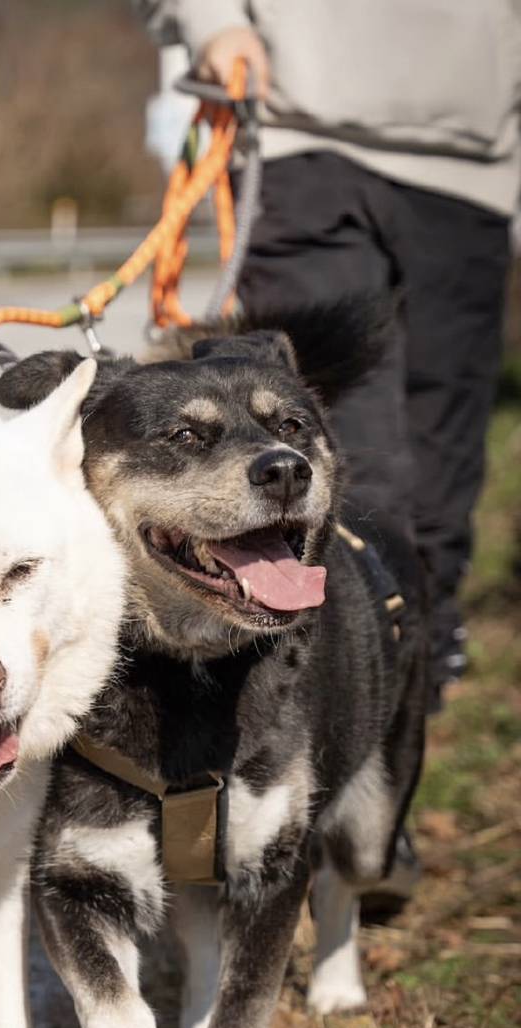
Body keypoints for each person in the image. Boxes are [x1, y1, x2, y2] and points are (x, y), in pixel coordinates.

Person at [140, 0, 520, 709]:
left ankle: (416, 680)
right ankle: (313, 702)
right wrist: (213, 21)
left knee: (446, 467)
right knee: (343, 462)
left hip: (474, 162)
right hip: (295, 138)